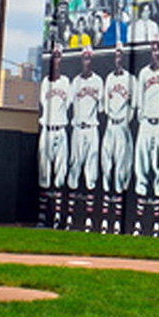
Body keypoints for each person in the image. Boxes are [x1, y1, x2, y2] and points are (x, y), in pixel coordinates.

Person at [133, 36, 159, 236]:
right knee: (141, 168)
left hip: (158, 125)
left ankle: (156, 222)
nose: (155, 52)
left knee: (158, 171)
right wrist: (143, 118)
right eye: (153, 49)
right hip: (145, 124)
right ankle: (139, 222)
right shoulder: (143, 73)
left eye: (158, 49)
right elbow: (139, 101)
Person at [100, 44, 136, 234]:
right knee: (107, 167)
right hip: (110, 125)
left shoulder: (131, 79)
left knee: (121, 170)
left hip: (122, 125)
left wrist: (126, 121)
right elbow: (104, 105)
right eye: (116, 55)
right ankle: (106, 218)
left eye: (121, 55)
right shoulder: (109, 79)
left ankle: (117, 220)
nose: (118, 58)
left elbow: (134, 105)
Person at [68, 45, 104, 230]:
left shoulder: (98, 81)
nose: (87, 61)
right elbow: (67, 104)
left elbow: (102, 108)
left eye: (89, 58)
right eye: (84, 58)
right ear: (81, 60)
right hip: (77, 129)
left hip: (91, 129)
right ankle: (70, 217)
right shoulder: (75, 82)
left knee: (91, 172)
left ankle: (89, 218)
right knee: (74, 169)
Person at [38, 48, 70, 228]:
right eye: (54, 57)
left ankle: (58, 217)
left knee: (60, 175)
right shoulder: (45, 82)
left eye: (58, 57)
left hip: (61, 130)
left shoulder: (66, 82)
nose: (56, 60)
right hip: (47, 130)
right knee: (44, 175)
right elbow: (44, 103)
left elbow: (69, 103)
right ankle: (43, 217)